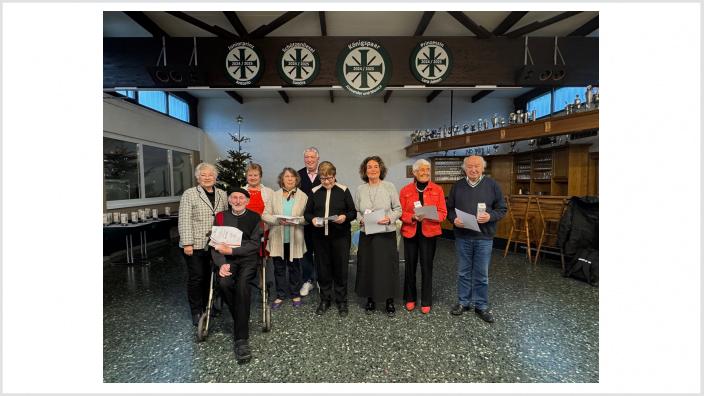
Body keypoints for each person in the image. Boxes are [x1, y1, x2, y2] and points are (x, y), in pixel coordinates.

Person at [446, 155, 507, 323]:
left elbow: (502, 209)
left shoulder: (492, 185)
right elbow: (449, 209)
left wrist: (490, 216)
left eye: (477, 166)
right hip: (462, 236)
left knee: (482, 274)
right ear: (464, 168)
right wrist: (453, 219)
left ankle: (481, 305)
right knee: (463, 272)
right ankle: (463, 302)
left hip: (484, 237)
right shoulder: (457, 186)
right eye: (470, 166)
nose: (473, 169)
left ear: (483, 168)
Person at [210, 187, 263, 364]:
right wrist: (221, 263)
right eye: (234, 197)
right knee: (224, 283)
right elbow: (215, 244)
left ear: (247, 201)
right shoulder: (220, 217)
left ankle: (241, 339)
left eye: (241, 198)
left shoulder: (255, 217)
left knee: (242, 286)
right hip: (227, 260)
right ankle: (241, 316)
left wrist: (233, 249)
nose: (238, 201)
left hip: (248, 259)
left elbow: (255, 245)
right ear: (230, 200)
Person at [178, 162, 228, 326]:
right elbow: (184, 219)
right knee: (197, 277)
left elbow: (226, 217)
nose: (207, 178)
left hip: (216, 243)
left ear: (215, 177)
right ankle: (196, 311)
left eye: (210, 175)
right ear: (197, 177)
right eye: (203, 175)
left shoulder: (222, 193)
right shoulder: (190, 194)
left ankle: (209, 306)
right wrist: (187, 243)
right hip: (195, 244)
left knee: (210, 276)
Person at [303, 161, 357, 317]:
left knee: (340, 269)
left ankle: (341, 301)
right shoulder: (314, 191)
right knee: (323, 269)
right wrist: (312, 219)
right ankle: (325, 299)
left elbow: (353, 212)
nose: (326, 182)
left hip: (340, 237)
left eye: (329, 178)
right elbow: (307, 213)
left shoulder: (344, 190)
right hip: (320, 238)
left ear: (335, 176)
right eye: (323, 178)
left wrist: (344, 217)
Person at [354, 156, 402, 317]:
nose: (373, 169)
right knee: (368, 267)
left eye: (376, 166)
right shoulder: (360, 189)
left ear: (381, 169)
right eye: (369, 167)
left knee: (387, 268)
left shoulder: (389, 186)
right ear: (364, 170)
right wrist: (361, 220)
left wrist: (390, 218)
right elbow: (356, 211)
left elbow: (398, 209)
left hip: (385, 233)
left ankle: (389, 301)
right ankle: (370, 299)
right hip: (367, 234)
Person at [399, 159, 448, 314]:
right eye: (421, 169)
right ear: (414, 172)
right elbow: (400, 213)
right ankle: (410, 298)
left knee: (427, 267)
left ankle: (426, 300)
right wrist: (412, 217)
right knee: (410, 267)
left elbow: (443, 213)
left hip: (429, 233)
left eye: (427, 169)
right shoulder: (405, 190)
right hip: (410, 233)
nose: (425, 172)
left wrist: (430, 215)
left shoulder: (437, 189)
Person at [262, 167, 308, 309]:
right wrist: (277, 220)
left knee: (295, 268)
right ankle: (280, 295)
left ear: (296, 179)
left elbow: (308, 218)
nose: (289, 179)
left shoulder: (303, 196)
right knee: (279, 268)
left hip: (295, 237)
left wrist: (297, 220)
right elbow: (264, 214)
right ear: (282, 179)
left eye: (292, 177)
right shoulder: (274, 196)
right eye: (286, 176)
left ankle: (295, 294)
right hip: (277, 237)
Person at [297, 147, 321, 297]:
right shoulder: (298, 175)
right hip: (304, 221)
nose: (310, 160)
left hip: (320, 222)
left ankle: (320, 279)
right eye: (307, 157)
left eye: (312, 157)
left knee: (321, 252)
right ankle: (308, 280)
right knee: (305, 252)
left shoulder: (325, 174)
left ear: (318, 159)